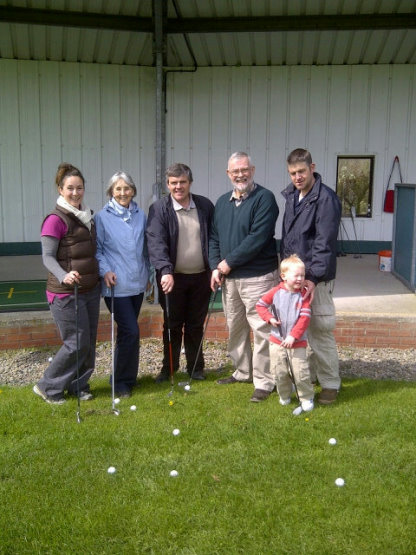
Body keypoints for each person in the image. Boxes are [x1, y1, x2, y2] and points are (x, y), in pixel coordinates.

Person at [210, 151, 279, 402]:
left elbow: (257, 239)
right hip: (229, 279)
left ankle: (264, 380)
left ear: (253, 170)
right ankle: (242, 372)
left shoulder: (265, 199)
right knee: (235, 327)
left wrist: (227, 263)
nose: (240, 174)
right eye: (235, 171)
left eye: (244, 170)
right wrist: (215, 267)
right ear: (228, 174)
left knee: (261, 329)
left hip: (258, 277)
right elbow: (214, 238)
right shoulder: (222, 202)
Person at [34, 163, 100, 404]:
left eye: (79, 188)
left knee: (88, 341)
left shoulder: (87, 216)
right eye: (70, 188)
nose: (75, 192)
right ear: (60, 189)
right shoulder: (55, 219)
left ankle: (78, 385)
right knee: (76, 342)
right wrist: (64, 275)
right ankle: (48, 386)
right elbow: (47, 257)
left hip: (90, 289)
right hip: (65, 292)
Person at [280, 148, 342, 404]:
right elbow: (289, 239)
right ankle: (312, 377)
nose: (297, 177)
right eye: (293, 173)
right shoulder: (292, 197)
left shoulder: (326, 199)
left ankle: (330, 384)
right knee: (301, 330)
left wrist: (312, 279)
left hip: (316, 279)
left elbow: (323, 244)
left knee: (319, 330)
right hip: (294, 278)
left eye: (302, 171)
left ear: (312, 167)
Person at [146, 163, 214, 382]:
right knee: (172, 326)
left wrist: (215, 268)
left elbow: (214, 239)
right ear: (167, 185)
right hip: (172, 278)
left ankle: (196, 368)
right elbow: (156, 243)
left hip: (201, 277)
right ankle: (169, 369)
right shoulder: (159, 209)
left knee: (195, 325)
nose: (178, 187)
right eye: (173, 183)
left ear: (190, 183)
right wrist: (165, 270)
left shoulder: (204, 206)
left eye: (182, 182)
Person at [95, 171, 149, 398]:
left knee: (128, 333)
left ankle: (124, 375)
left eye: (127, 188)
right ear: (111, 192)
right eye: (118, 189)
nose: (123, 193)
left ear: (133, 190)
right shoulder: (101, 217)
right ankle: (121, 382)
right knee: (131, 331)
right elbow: (97, 250)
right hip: (116, 286)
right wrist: (105, 270)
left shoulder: (141, 215)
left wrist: (150, 278)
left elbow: (145, 249)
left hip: (137, 285)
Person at [256, 254, 314, 411]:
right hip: (277, 341)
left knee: (300, 372)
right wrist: (269, 318)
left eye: (302, 275)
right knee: (279, 371)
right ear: (284, 276)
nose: (300, 279)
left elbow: (304, 318)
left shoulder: (304, 295)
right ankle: (285, 395)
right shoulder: (275, 292)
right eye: (296, 275)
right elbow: (260, 305)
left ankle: (306, 397)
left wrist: (293, 336)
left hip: (297, 342)